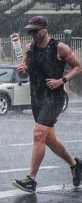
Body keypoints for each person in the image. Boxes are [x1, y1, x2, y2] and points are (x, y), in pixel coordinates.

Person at [12, 16, 82, 193]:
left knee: (38, 134)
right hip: (37, 97)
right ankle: (76, 165)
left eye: (35, 31)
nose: (32, 34)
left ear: (45, 29)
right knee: (49, 140)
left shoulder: (59, 47)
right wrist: (22, 71)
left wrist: (62, 80)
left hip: (55, 97)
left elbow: (78, 67)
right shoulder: (29, 49)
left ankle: (31, 180)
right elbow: (24, 74)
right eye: (30, 31)